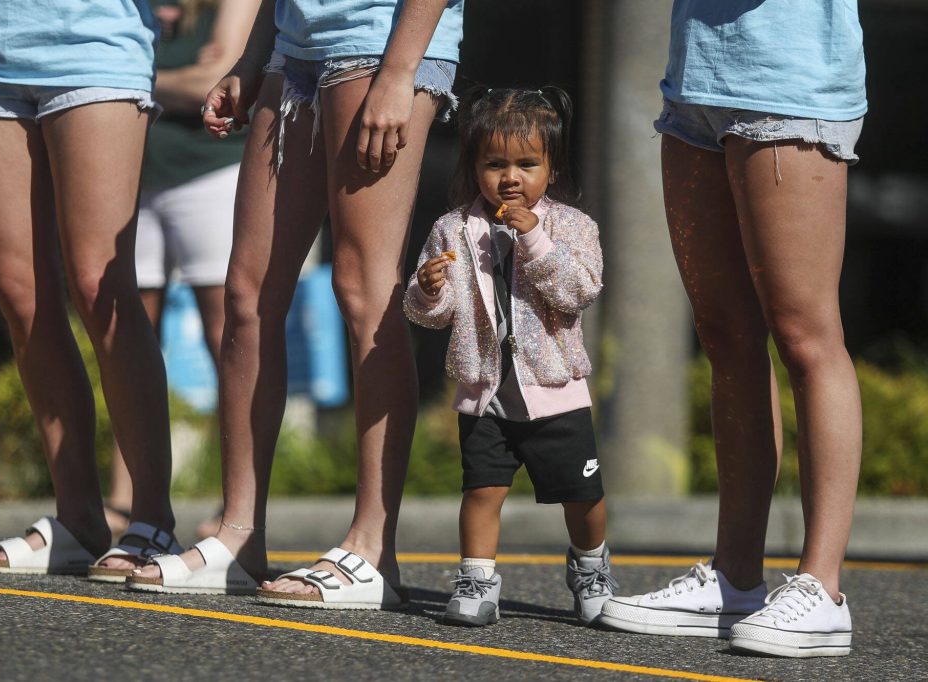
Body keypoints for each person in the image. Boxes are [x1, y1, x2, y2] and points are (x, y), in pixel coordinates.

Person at [126, 0, 463, 606]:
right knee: (247, 294)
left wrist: (398, 71)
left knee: (363, 291)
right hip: (294, 47)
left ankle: (372, 548)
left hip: (378, 40)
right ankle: (238, 534)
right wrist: (253, 58)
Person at [598, 0, 866, 658]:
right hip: (696, 83)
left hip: (789, 80)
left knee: (805, 335)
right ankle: (734, 578)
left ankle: (822, 590)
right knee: (725, 335)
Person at [0, 0, 183, 580]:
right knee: (19, 293)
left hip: (93, 45)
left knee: (100, 282)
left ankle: (152, 517)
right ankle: (78, 520)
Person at [403, 86, 616, 627]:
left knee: (582, 497)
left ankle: (591, 568)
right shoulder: (452, 228)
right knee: (482, 492)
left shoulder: (572, 226)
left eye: (527, 163)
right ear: (475, 166)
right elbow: (431, 315)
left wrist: (537, 240)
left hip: (555, 392)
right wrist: (427, 288)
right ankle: (477, 580)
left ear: (552, 168)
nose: (510, 177)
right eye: (494, 163)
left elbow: (578, 290)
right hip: (485, 393)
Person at [104, 0, 254, 540]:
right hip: (133, 174)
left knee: (228, 335)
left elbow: (213, 84)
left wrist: (122, 77)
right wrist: (173, 81)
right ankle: (126, 500)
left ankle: (235, 507)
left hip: (209, 171)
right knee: (128, 333)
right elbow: (187, 83)